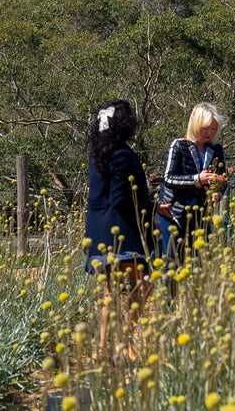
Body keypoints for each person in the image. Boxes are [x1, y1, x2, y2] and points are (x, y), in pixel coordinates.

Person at [83, 99, 156, 360]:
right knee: (146, 282)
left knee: (108, 293)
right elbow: (122, 198)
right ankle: (124, 338)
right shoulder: (123, 155)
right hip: (121, 233)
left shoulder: (97, 154)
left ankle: (102, 350)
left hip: (97, 234)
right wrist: (153, 207)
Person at [156, 102, 226, 265]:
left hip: (201, 215)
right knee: (173, 262)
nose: (209, 133)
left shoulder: (216, 149)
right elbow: (168, 178)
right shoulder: (178, 145)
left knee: (202, 262)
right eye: (205, 128)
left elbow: (222, 179)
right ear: (195, 124)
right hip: (174, 213)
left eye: (213, 129)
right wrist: (197, 179)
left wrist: (218, 193)